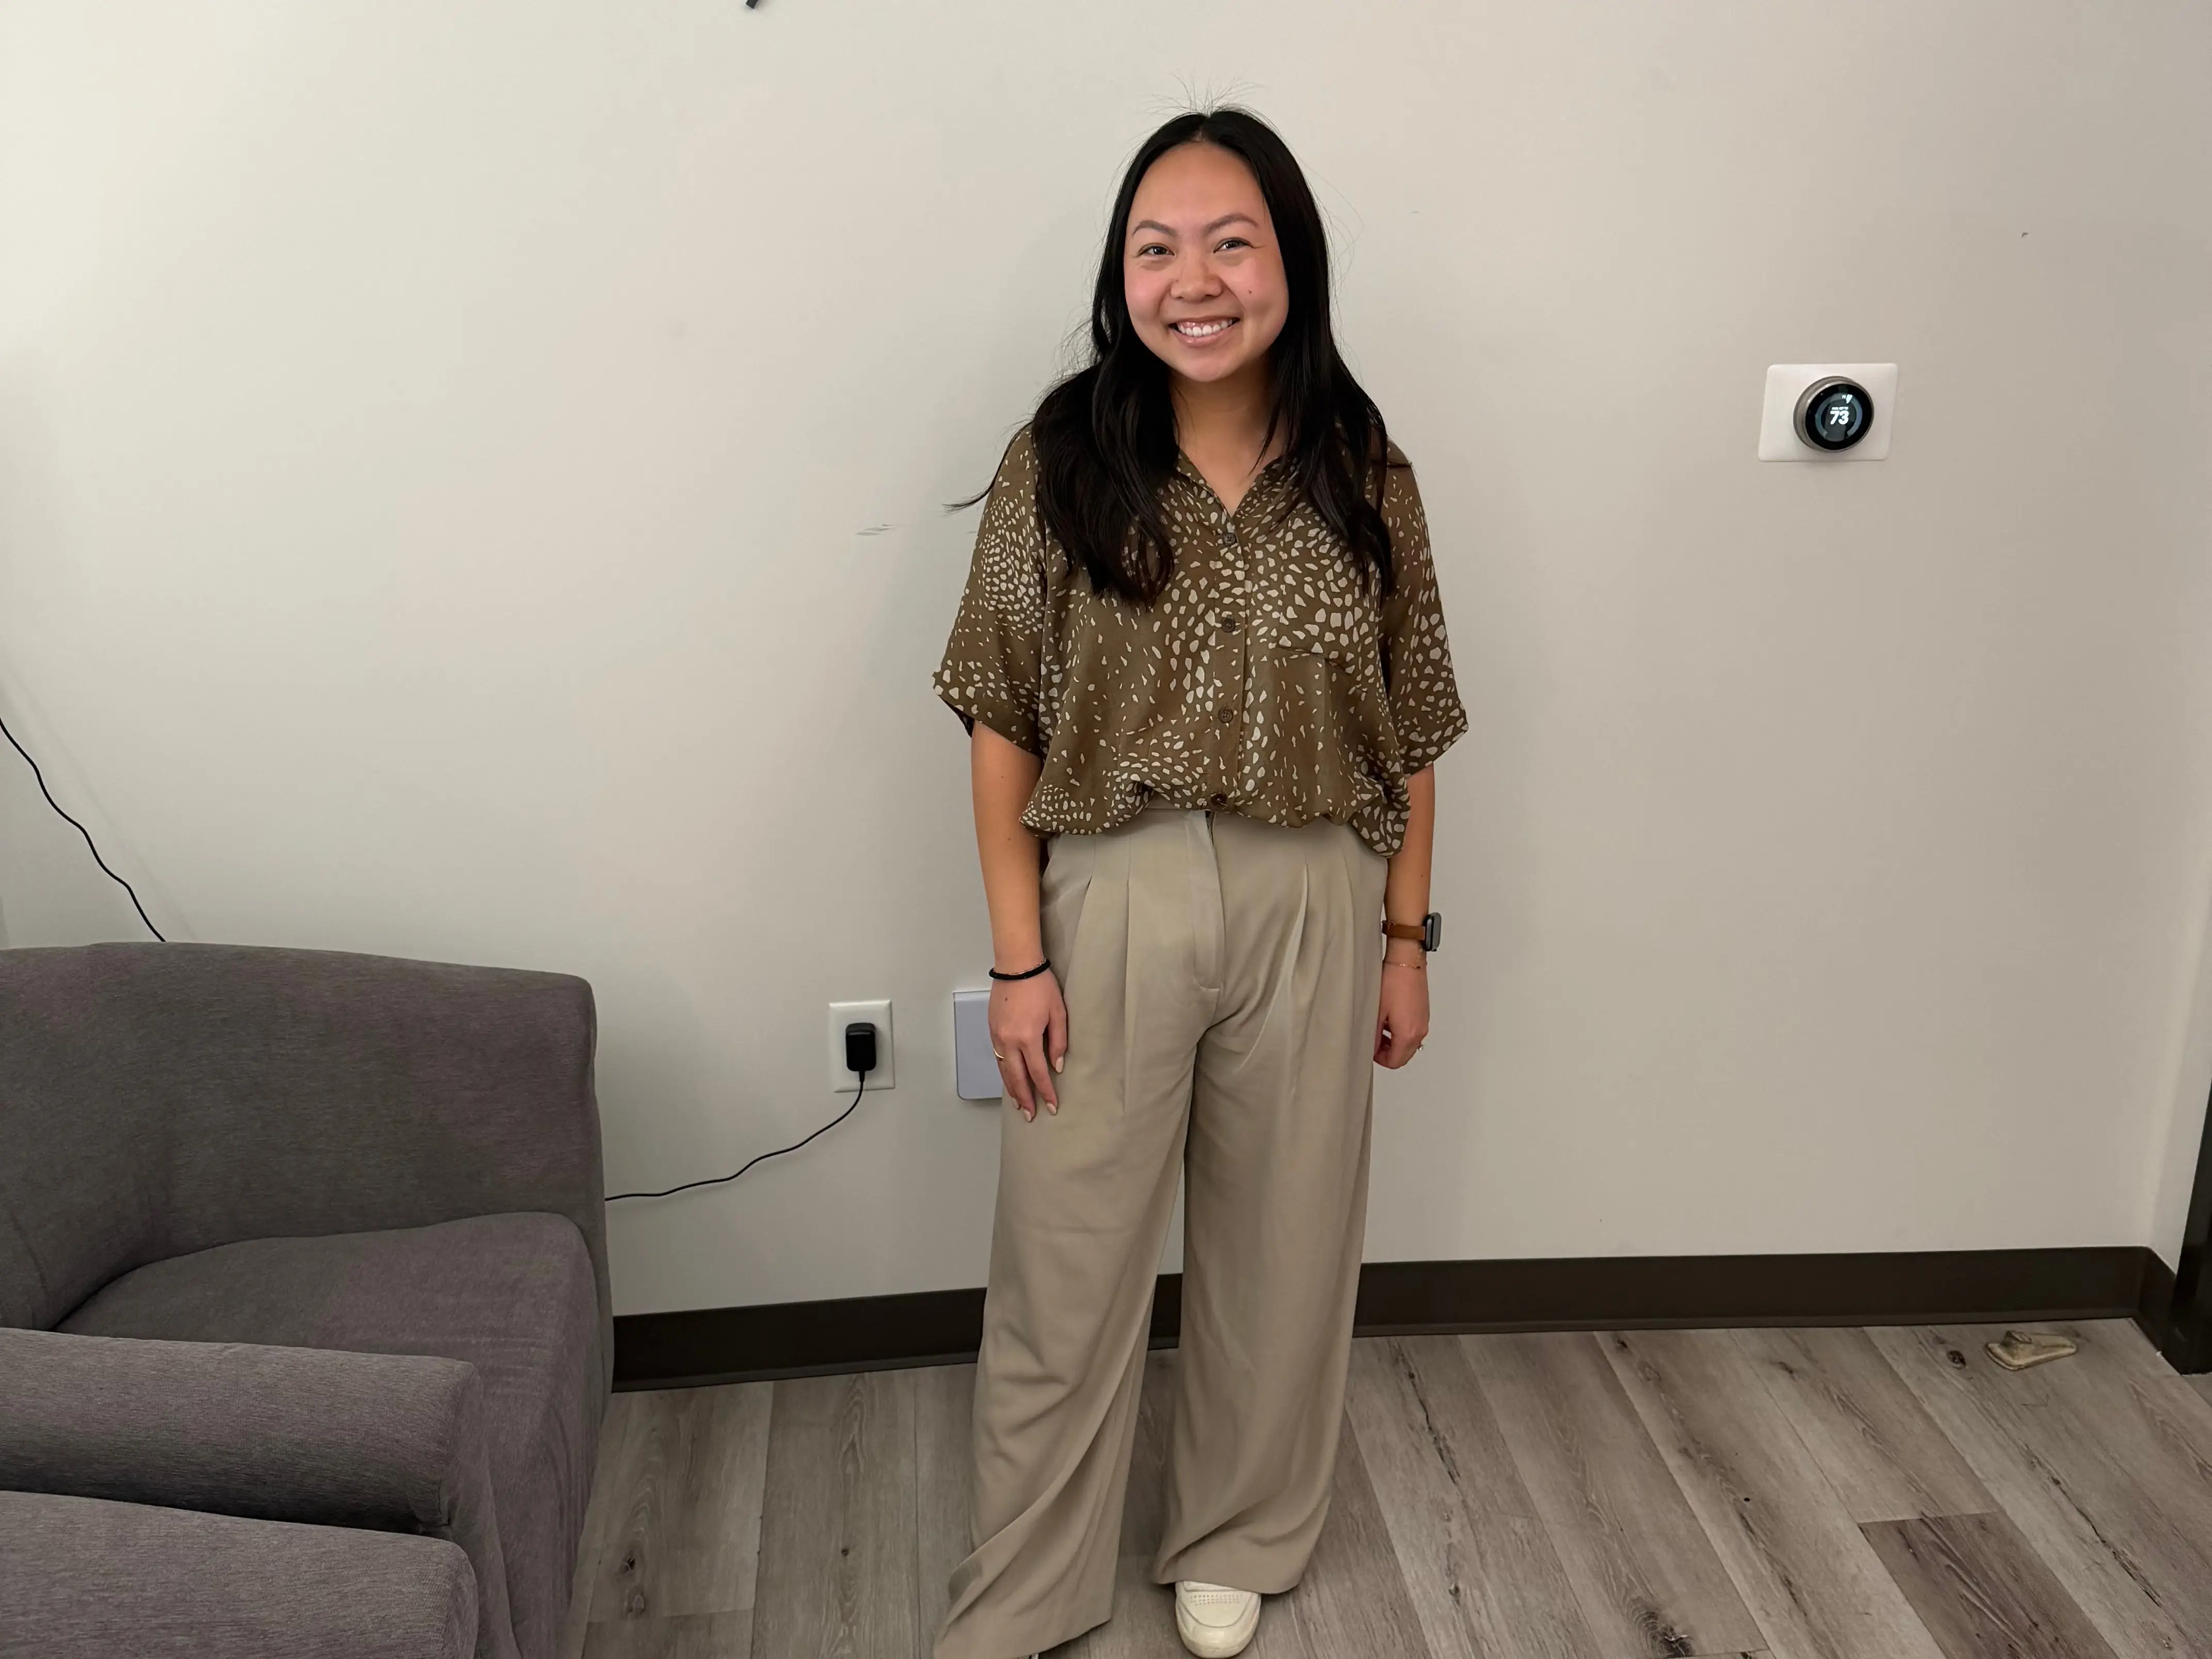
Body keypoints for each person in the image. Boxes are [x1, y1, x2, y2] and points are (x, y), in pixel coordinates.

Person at [929, 105, 1467, 1659]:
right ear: (1121, 276)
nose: (1195, 278)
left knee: (1282, 1245)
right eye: (1155, 247)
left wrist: (1402, 936)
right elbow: (1000, 716)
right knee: (1065, 1257)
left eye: (1231, 241)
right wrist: (1016, 960)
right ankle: (1027, 1585)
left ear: (1288, 259)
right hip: (1114, 889)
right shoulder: (1063, 458)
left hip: (1316, 888)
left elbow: (1412, 719)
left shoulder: (1366, 471)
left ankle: (1234, 1530)